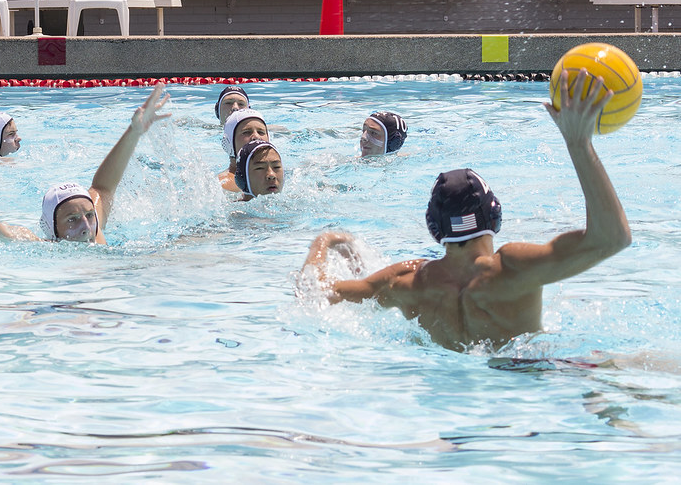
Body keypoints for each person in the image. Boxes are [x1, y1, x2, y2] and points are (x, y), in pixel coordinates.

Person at [301, 70, 631, 351]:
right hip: (531, 376)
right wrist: (579, 144)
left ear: (434, 225)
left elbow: (317, 289)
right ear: (494, 214)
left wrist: (326, 240)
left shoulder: (407, 282)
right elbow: (613, 239)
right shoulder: (513, 268)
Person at [0, 84, 170, 244]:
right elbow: (0, 235)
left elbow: (103, 187)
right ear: (52, 227)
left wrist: (133, 132)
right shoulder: (50, 245)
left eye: (89, 216)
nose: (87, 228)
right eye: (73, 220)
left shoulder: (95, 231)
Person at [219, 108, 270, 192]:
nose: (256, 137)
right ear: (229, 143)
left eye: (261, 132)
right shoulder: (224, 186)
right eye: (246, 132)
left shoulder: (279, 176)